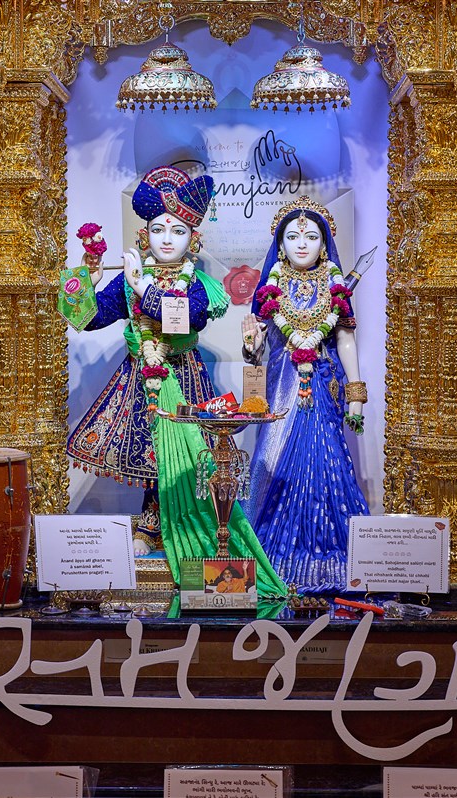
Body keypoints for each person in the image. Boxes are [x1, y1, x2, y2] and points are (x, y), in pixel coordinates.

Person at [66, 165, 286, 598]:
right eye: (158, 229)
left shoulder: (198, 284)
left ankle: (180, 528)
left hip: (183, 375)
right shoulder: (129, 278)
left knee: (187, 457)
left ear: (193, 239)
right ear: (144, 234)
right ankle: (151, 525)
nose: (167, 238)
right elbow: (89, 320)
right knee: (152, 453)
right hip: (140, 377)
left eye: (178, 230)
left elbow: (184, 318)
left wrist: (142, 288)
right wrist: (89, 281)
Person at [241, 195, 370, 594]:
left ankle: (327, 560)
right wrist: (250, 345)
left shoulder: (334, 285)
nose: (302, 243)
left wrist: (355, 393)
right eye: (293, 237)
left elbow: (345, 339)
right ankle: (265, 561)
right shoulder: (270, 286)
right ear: (280, 245)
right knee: (268, 461)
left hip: (323, 387)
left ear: (324, 244)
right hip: (281, 387)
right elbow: (257, 346)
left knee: (327, 464)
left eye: (312, 237)